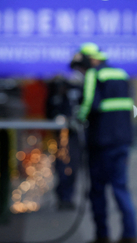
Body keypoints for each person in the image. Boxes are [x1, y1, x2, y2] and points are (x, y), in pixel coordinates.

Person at [70, 43, 137, 243]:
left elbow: (88, 104)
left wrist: (77, 119)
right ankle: (130, 234)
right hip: (123, 140)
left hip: (101, 143)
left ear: (89, 60)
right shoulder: (121, 74)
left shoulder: (94, 74)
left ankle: (102, 235)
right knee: (121, 188)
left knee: (98, 190)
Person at [46, 74, 82, 210]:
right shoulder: (54, 97)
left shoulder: (74, 94)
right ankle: (62, 197)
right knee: (61, 167)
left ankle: (68, 197)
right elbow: (49, 113)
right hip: (60, 137)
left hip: (73, 136)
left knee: (72, 168)